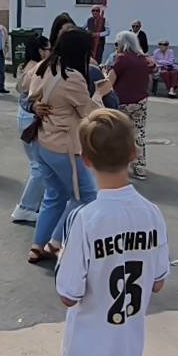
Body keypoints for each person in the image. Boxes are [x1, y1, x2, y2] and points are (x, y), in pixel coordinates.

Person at [55, 108, 169, 356]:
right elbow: (159, 281)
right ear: (133, 152)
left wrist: (64, 254)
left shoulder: (85, 219)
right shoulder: (152, 213)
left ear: (85, 160)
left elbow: (68, 293)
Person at [26, 29, 112, 263]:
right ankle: (56, 242)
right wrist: (103, 90)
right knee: (86, 195)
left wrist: (35, 107)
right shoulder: (71, 76)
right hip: (64, 146)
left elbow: (28, 93)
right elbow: (88, 111)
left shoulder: (44, 66)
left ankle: (37, 246)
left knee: (55, 195)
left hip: (43, 140)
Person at [11, 35, 51, 222]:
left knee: (37, 165)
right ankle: (26, 206)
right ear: (40, 50)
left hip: (25, 116)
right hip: (30, 118)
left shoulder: (25, 66)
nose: (50, 52)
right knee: (39, 167)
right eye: (48, 49)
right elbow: (28, 95)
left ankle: (32, 203)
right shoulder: (36, 68)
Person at [107, 31, 154, 179]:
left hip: (122, 102)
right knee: (139, 133)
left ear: (123, 43)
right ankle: (140, 167)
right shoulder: (144, 60)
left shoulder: (122, 59)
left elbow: (109, 82)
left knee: (119, 134)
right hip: (140, 102)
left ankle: (119, 165)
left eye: (117, 43)